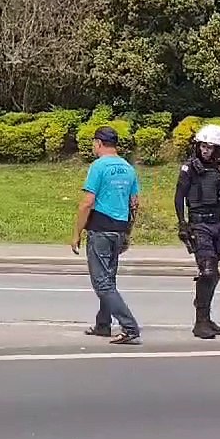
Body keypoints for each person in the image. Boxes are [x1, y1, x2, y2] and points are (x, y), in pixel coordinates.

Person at [71, 126, 142, 345]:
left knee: (101, 283)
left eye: (94, 143)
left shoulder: (98, 166)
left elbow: (87, 203)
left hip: (100, 229)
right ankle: (103, 324)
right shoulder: (128, 168)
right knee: (109, 279)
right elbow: (135, 203)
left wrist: (76, 233)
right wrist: (127, 232)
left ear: (99, 143)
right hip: (119, 229)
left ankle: (129, 327)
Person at [175, 123, 220, 339]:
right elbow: (179, 197)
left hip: (218, 225)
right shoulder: (189, 169)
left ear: (219, 150)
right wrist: (182, 223)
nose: (205, 150)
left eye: (210, 147)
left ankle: (206, 317)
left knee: (214, 275)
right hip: (199, 225)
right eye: (203, 146)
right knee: (207, 272)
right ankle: (200, 322)